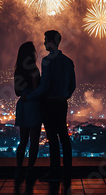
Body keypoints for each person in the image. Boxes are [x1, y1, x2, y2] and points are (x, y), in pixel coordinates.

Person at [25, 30, 76, 185]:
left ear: (51, 41)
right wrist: (64, 96)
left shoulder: (47, 61)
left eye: (45, 39)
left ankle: (54, 172)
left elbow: (45, 86)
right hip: (61, 103)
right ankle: (67, 171)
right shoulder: (68, 61)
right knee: (64, 138)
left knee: (52, 139)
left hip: (49, 104)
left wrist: (30, 96)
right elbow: (72, 86)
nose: (44, 42)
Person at [14, 42, 42, 188]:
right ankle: (30, 170)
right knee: (34, 141)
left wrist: (25, 94)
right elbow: (38, 90)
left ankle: (18, 170)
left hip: (22, 105)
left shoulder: (18, 70)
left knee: (23, 141)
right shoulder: (34, 70)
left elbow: (17, 92)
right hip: (33, 105)